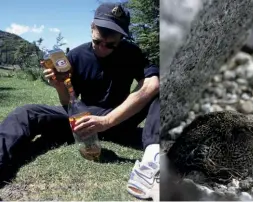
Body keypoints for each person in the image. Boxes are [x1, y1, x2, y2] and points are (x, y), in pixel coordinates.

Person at [0, 2, 160, 201]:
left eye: (111, 44)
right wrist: (59, 84)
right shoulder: (75, 56)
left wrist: (107, 121)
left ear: (122, 36)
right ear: (92, 28)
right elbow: (70, 102)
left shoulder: (132, 53)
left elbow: (152, 85)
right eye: (98, 40)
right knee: (26, 113)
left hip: (119, 119)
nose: (103, 47)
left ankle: (152, 161)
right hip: (84, 119)